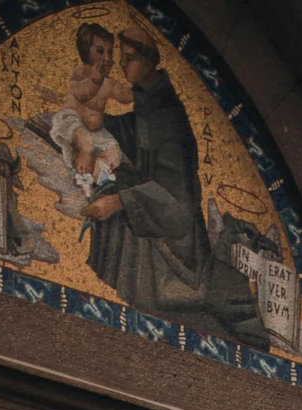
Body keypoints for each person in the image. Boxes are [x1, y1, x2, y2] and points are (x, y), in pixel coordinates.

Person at [82, 30, 268, 347]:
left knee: (150, 280)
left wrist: (119, 201)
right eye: (121, 57)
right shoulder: (150, 100)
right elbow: (141, 139)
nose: (122, 65)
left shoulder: (167, 110)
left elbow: (178, 197)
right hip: (149, 211)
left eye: (130, 59)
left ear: (150, 62)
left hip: (174, 242)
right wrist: (103, 125)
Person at [47, 23, 130, 195]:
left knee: (113, 153)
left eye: (110, 52)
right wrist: (95, 80)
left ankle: (101, 175)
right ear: (86, 52)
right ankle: (83, 176)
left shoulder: (108, 82)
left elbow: (125, 97)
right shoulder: (81, 72)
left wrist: (140, 86)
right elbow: (82, 94)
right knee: (87, 145)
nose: (106, 57)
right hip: (72, 122)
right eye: (100, 51)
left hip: (97, 131)